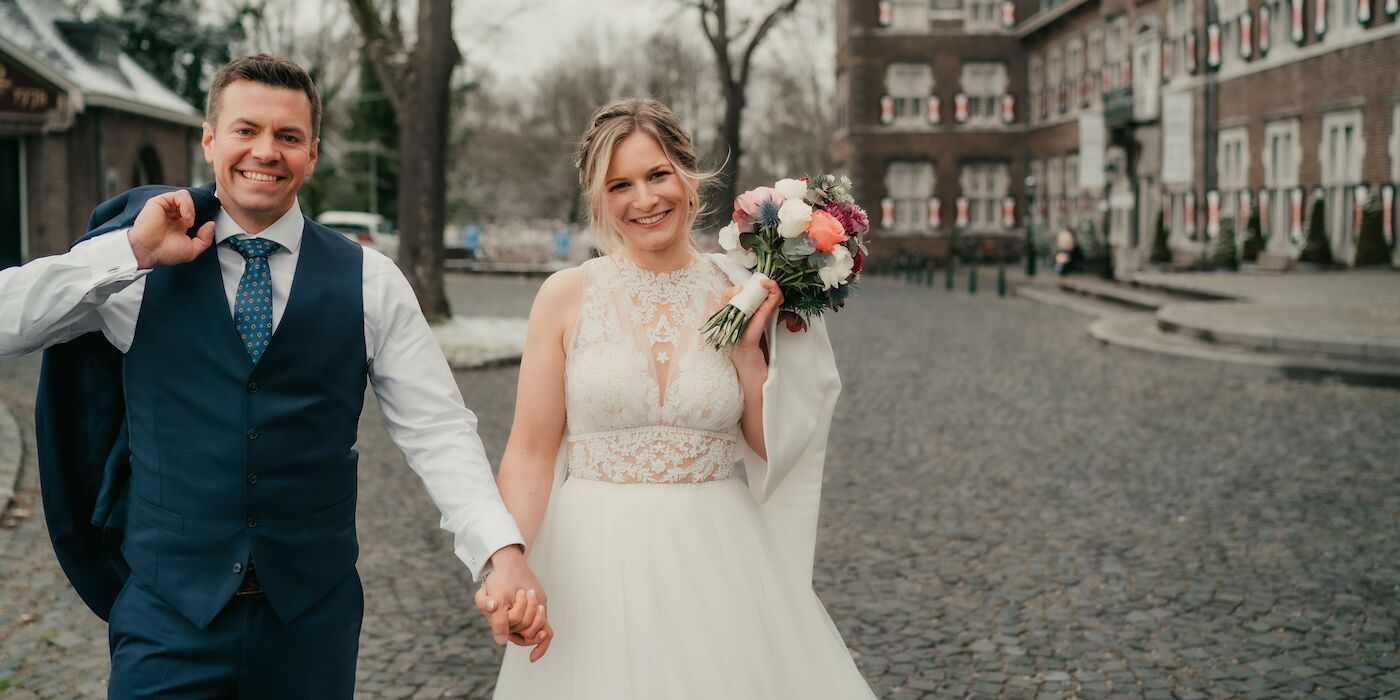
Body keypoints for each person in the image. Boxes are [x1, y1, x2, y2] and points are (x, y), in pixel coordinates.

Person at [0, 54, 547, 696]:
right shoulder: (137, 270)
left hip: (310, 622)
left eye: (288, 136)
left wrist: (499, 553)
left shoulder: (371, 282)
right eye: (245, 130)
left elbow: (438, 429)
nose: (266, 151)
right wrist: (132, 252)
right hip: (166, 620)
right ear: (210, 140)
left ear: (312, 154)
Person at [484, 98, 875, 698]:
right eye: (621, 185)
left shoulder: (745, 288)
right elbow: (532, 452)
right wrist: (508, 562)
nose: (644, 200)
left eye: (657, 174)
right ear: (600, 199)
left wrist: (745, 350)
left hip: (720, 558)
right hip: (592, 561)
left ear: (689, 176)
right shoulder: (564, 296)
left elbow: (775, 446)